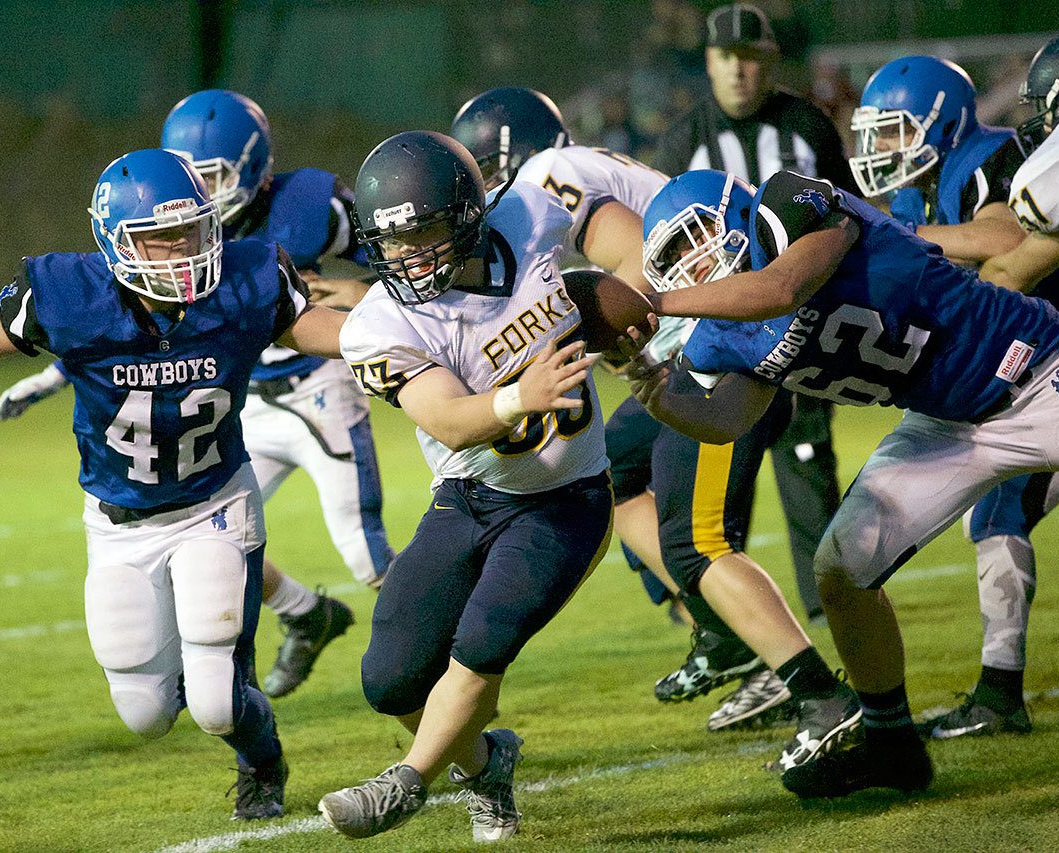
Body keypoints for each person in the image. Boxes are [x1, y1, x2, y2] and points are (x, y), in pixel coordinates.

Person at [0, 147, 347, 817]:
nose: (181, 250)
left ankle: (262, 760)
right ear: (115, 242)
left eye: (190, 230)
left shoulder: (247, 277)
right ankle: (207, 672)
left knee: (217, 701)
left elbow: (325, 331)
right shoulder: (70, 295)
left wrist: (399, 335)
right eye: (159, 237)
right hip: (118, 521)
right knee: (143, 713)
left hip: (215, 504)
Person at [631, 165, 1059, 798]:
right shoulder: (718, 335)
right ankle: (891, 746)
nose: (689, 263)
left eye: (692, 237)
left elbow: (783, 288)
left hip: (1037, 370)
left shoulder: (791, 204)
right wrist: (661, 399)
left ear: (731, 213)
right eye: (671, 258)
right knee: (842, 570)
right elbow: (727, 420)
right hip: (944, 424)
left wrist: (653, 304)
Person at [0, 89, 388, 699]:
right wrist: (54, 376)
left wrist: (357, 291)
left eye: (216, 175)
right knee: (197, 528)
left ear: (255, 168)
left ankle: (426, 653)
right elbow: (140, 338)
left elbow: (407, 259)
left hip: (317, 389)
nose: (201, 195)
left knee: (365, 555)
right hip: (239, 402)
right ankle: (305, 612)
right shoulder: (171, 241)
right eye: (193, 176)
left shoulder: (309, 207)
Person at [450, 85, 798, 731]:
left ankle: (797, 680)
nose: (486, 190)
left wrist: (574, 332)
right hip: (691, 350)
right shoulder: (571, 169)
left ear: (517, 152)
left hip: (717, 349)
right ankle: (726, 633)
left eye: (489, 168)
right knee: (613, 478)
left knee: (697, 542)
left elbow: (640, 265)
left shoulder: (547, 173)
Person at [317, 131, 612, 842]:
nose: (409, 254)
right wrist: (519, 395)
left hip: (566, 497)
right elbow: (449, 422)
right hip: (466, 495)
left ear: (468, 216)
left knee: (482, 642)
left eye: (424, 232)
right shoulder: (381, 323)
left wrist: (636, 313)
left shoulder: (532, 215)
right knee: (391, 679)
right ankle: (485, 765)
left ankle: (406, 783)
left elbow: (623, 252)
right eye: (393, 240)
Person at [850, 53, 1059, 738]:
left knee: (997, 510)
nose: (881, 147)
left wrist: (895, 239)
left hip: (1055, 368)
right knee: (995, 513)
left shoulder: (988, 160)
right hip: (1031, 371)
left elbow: (1004, 242)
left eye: (894, 130)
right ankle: (998, 692)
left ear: (942, 122)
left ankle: (999, 695)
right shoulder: (914, 197)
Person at [656, 1, 850, 622]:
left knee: (808, 472)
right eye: (726, 57)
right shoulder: (683, 139)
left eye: (749, 57)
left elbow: (848, 215)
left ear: (770, 61)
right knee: (721, 486)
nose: (738, 70)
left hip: (805, 328)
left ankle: (830, 609)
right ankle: (724, 620)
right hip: (723, 343)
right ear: (708, 63)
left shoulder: (807, 126)